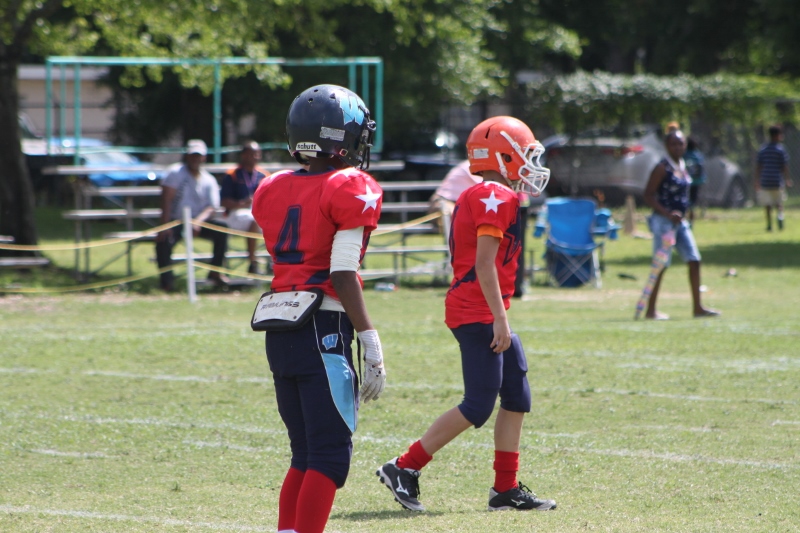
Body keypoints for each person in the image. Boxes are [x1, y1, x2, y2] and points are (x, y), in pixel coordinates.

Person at [376, 116, 556, 513]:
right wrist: (500, 319)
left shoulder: (490, 193)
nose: (531, 164)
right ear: (504, 155)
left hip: (483, 307)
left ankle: (505, 489)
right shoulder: (495, 195)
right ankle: (403, 466)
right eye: (526, 154)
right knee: (477, 404)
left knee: (517, 395)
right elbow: (485, 264)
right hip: (478, 311)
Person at [251, 84, 386, 533]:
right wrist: (370, 340)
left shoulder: (274, 187)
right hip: (322, 325)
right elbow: (343, 274)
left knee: (305, 453)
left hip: (280, 325)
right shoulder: (349, 185)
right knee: (328, 456)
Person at [642, 129, 720, 320]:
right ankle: (651, 310)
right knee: (661, 264)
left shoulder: (683, 165)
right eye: (673, 144)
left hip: (681, 223)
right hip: (664, 223)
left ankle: (698, 308)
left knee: (694, 260)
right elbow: (648, 195)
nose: (677, 147)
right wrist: (667, 213)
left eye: (680, 144)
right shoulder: (662, 168)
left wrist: (686, 212)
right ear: (667, 146)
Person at [155, 139, 229, 292]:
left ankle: (215, 272)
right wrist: (165, 226)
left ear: (204, 157)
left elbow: (212, 207)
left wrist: (197, 222)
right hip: (177, 221)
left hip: (199, 221)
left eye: (198, 156)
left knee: (222, 229)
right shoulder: (175, 173)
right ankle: (167, 283)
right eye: (193, 155)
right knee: (164, 241)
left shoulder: (209, 180)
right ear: (187, 156)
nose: (196, 159)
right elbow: (166, 199)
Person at [220, 140, 269, 273]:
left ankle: (275, 262)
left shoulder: (264, 175)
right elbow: (224, 202)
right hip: (236, 214)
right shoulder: (232, 174)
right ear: (243, 155)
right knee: (253, 220)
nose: (255, 157)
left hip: (259, 213)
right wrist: (241, 204)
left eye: (257, 154)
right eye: (251, 154)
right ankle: (253, 262)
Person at [756, 125, 793, 231]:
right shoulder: (780, 150)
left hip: (765, 180)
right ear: (777, 136)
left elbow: (759, 166)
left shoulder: (763, 149)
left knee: (767, 204)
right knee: (779, 202)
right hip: (777, 180)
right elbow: (784, 166)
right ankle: (780, 216)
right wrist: (787, 179)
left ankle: (769, 225)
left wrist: (756, 180)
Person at [684, 136, 707, 225]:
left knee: (685, 201)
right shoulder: (698, 155)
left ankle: (685, 219)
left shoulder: (684, 155)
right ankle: (691, 221)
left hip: (686, 182)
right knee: (692, 203)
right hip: (697, 182)